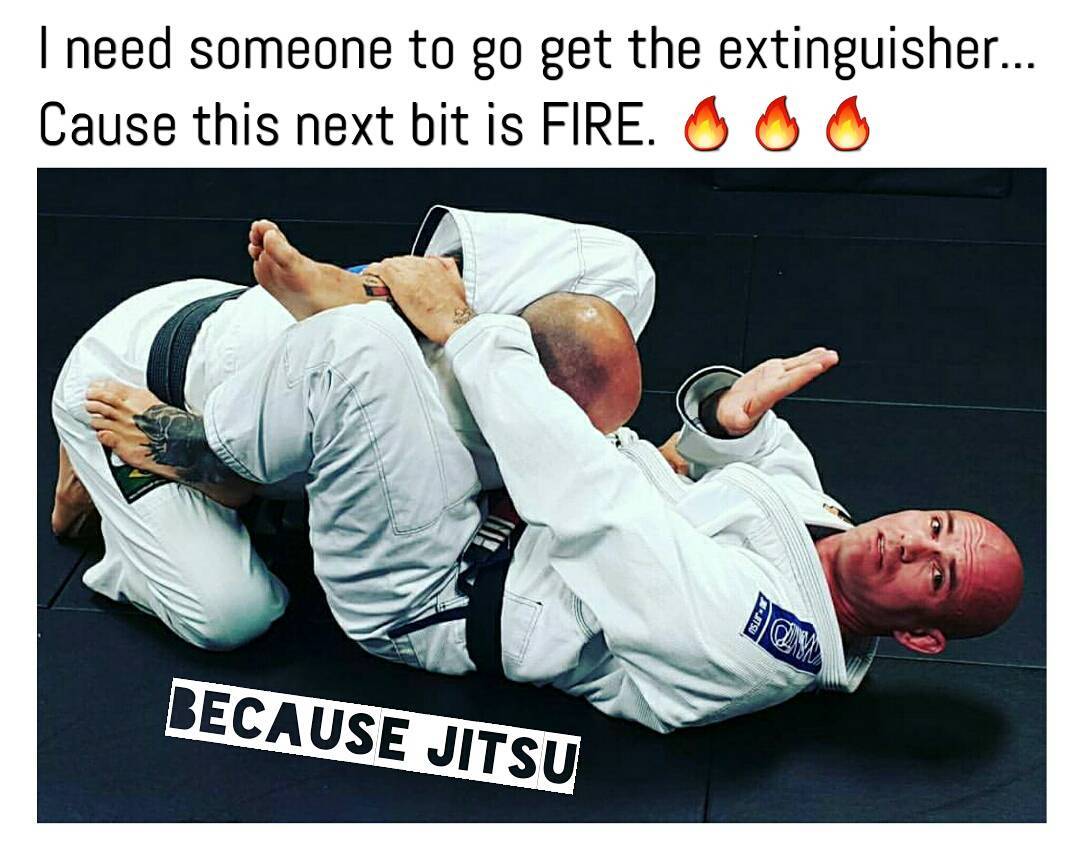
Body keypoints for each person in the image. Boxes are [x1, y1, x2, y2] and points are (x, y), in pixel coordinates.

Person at [84, 254, 1024, 733]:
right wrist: (729, 421)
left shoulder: (765, 641)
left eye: (936, 575)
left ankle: (216, 445)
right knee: (617, 274)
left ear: (920, 635)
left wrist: (465, 330)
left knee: (362, 353)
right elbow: (765, 462)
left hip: (438, 579)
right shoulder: (829, 532)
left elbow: (592, 502)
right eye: (937, 525)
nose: (913, 543)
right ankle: (383, 294)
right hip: (512, 488)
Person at [50, 209, 654, 650]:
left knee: (622, 270)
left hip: (274, 348)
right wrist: (211, 462)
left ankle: (379, 297)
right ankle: (170, 462)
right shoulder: (425, 426)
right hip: (138, 380)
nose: (593, 444)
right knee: (231, 615)